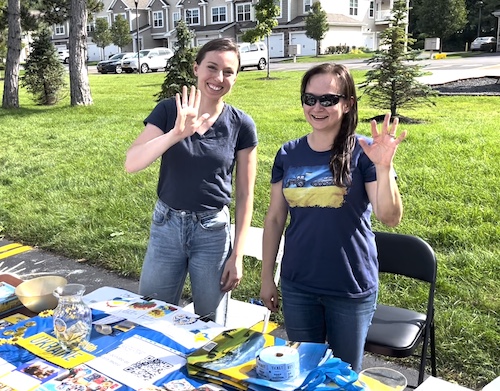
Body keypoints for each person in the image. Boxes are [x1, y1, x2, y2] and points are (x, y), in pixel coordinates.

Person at [260, 63, 407, 372]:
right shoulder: (288, 154)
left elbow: (389, 217)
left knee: (340, 377)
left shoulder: (365, 152)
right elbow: (274, 219)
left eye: (327, 99)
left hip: (349, 287)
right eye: (309, 98)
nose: (317, 107)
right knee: (302, 372)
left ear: (347, 103)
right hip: (298, 284)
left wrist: (382, 167)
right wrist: (266, 278)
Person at [125, 38, 258, 324]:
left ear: (236, 76)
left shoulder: (242, 124)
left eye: (228, 71)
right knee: (150, 316)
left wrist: (237, 255)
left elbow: (246, 194)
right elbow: (132, 162)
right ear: (196, 68)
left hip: (213, 233)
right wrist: (175, 134)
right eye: (211, 67)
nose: (218, 78)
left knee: (209, 326)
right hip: (166, 227)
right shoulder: (168, 111)